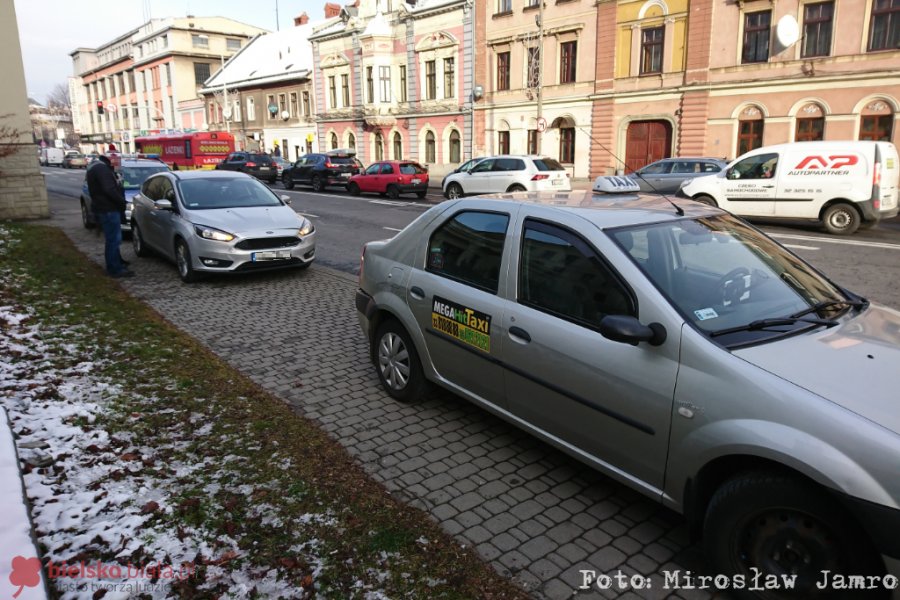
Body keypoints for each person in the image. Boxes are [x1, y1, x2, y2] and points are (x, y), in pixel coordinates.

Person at [86, 155, 134, 278]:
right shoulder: (102, 170)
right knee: (114, 239)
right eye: (116, 161)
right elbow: (109, 189)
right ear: (109, 160)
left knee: (113, 239)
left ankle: (117, 263)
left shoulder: (98, 167)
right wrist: (121, 201)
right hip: (108, 209)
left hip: (105, 208)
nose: (117, 164)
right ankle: (114, 269)